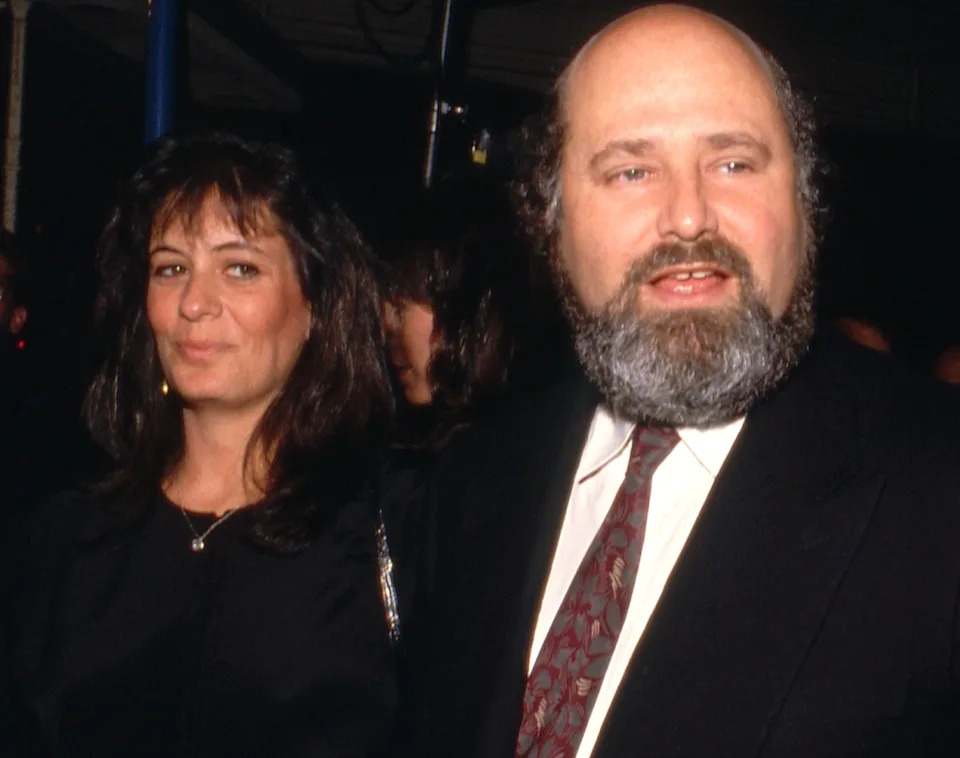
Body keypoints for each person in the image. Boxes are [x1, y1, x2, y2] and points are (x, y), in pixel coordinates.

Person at [400, 5, 960, 757]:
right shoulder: (470, 486)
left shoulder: (937, 488)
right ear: (550, 226)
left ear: (806, 205)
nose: (689, 217)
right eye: (631, 170)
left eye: (733, 162)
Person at [2, 133, 404, 757]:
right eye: (171, 268)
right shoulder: (66, 538)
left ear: (315, 307)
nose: (194, 302)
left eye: (239, 268)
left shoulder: (387, 539)